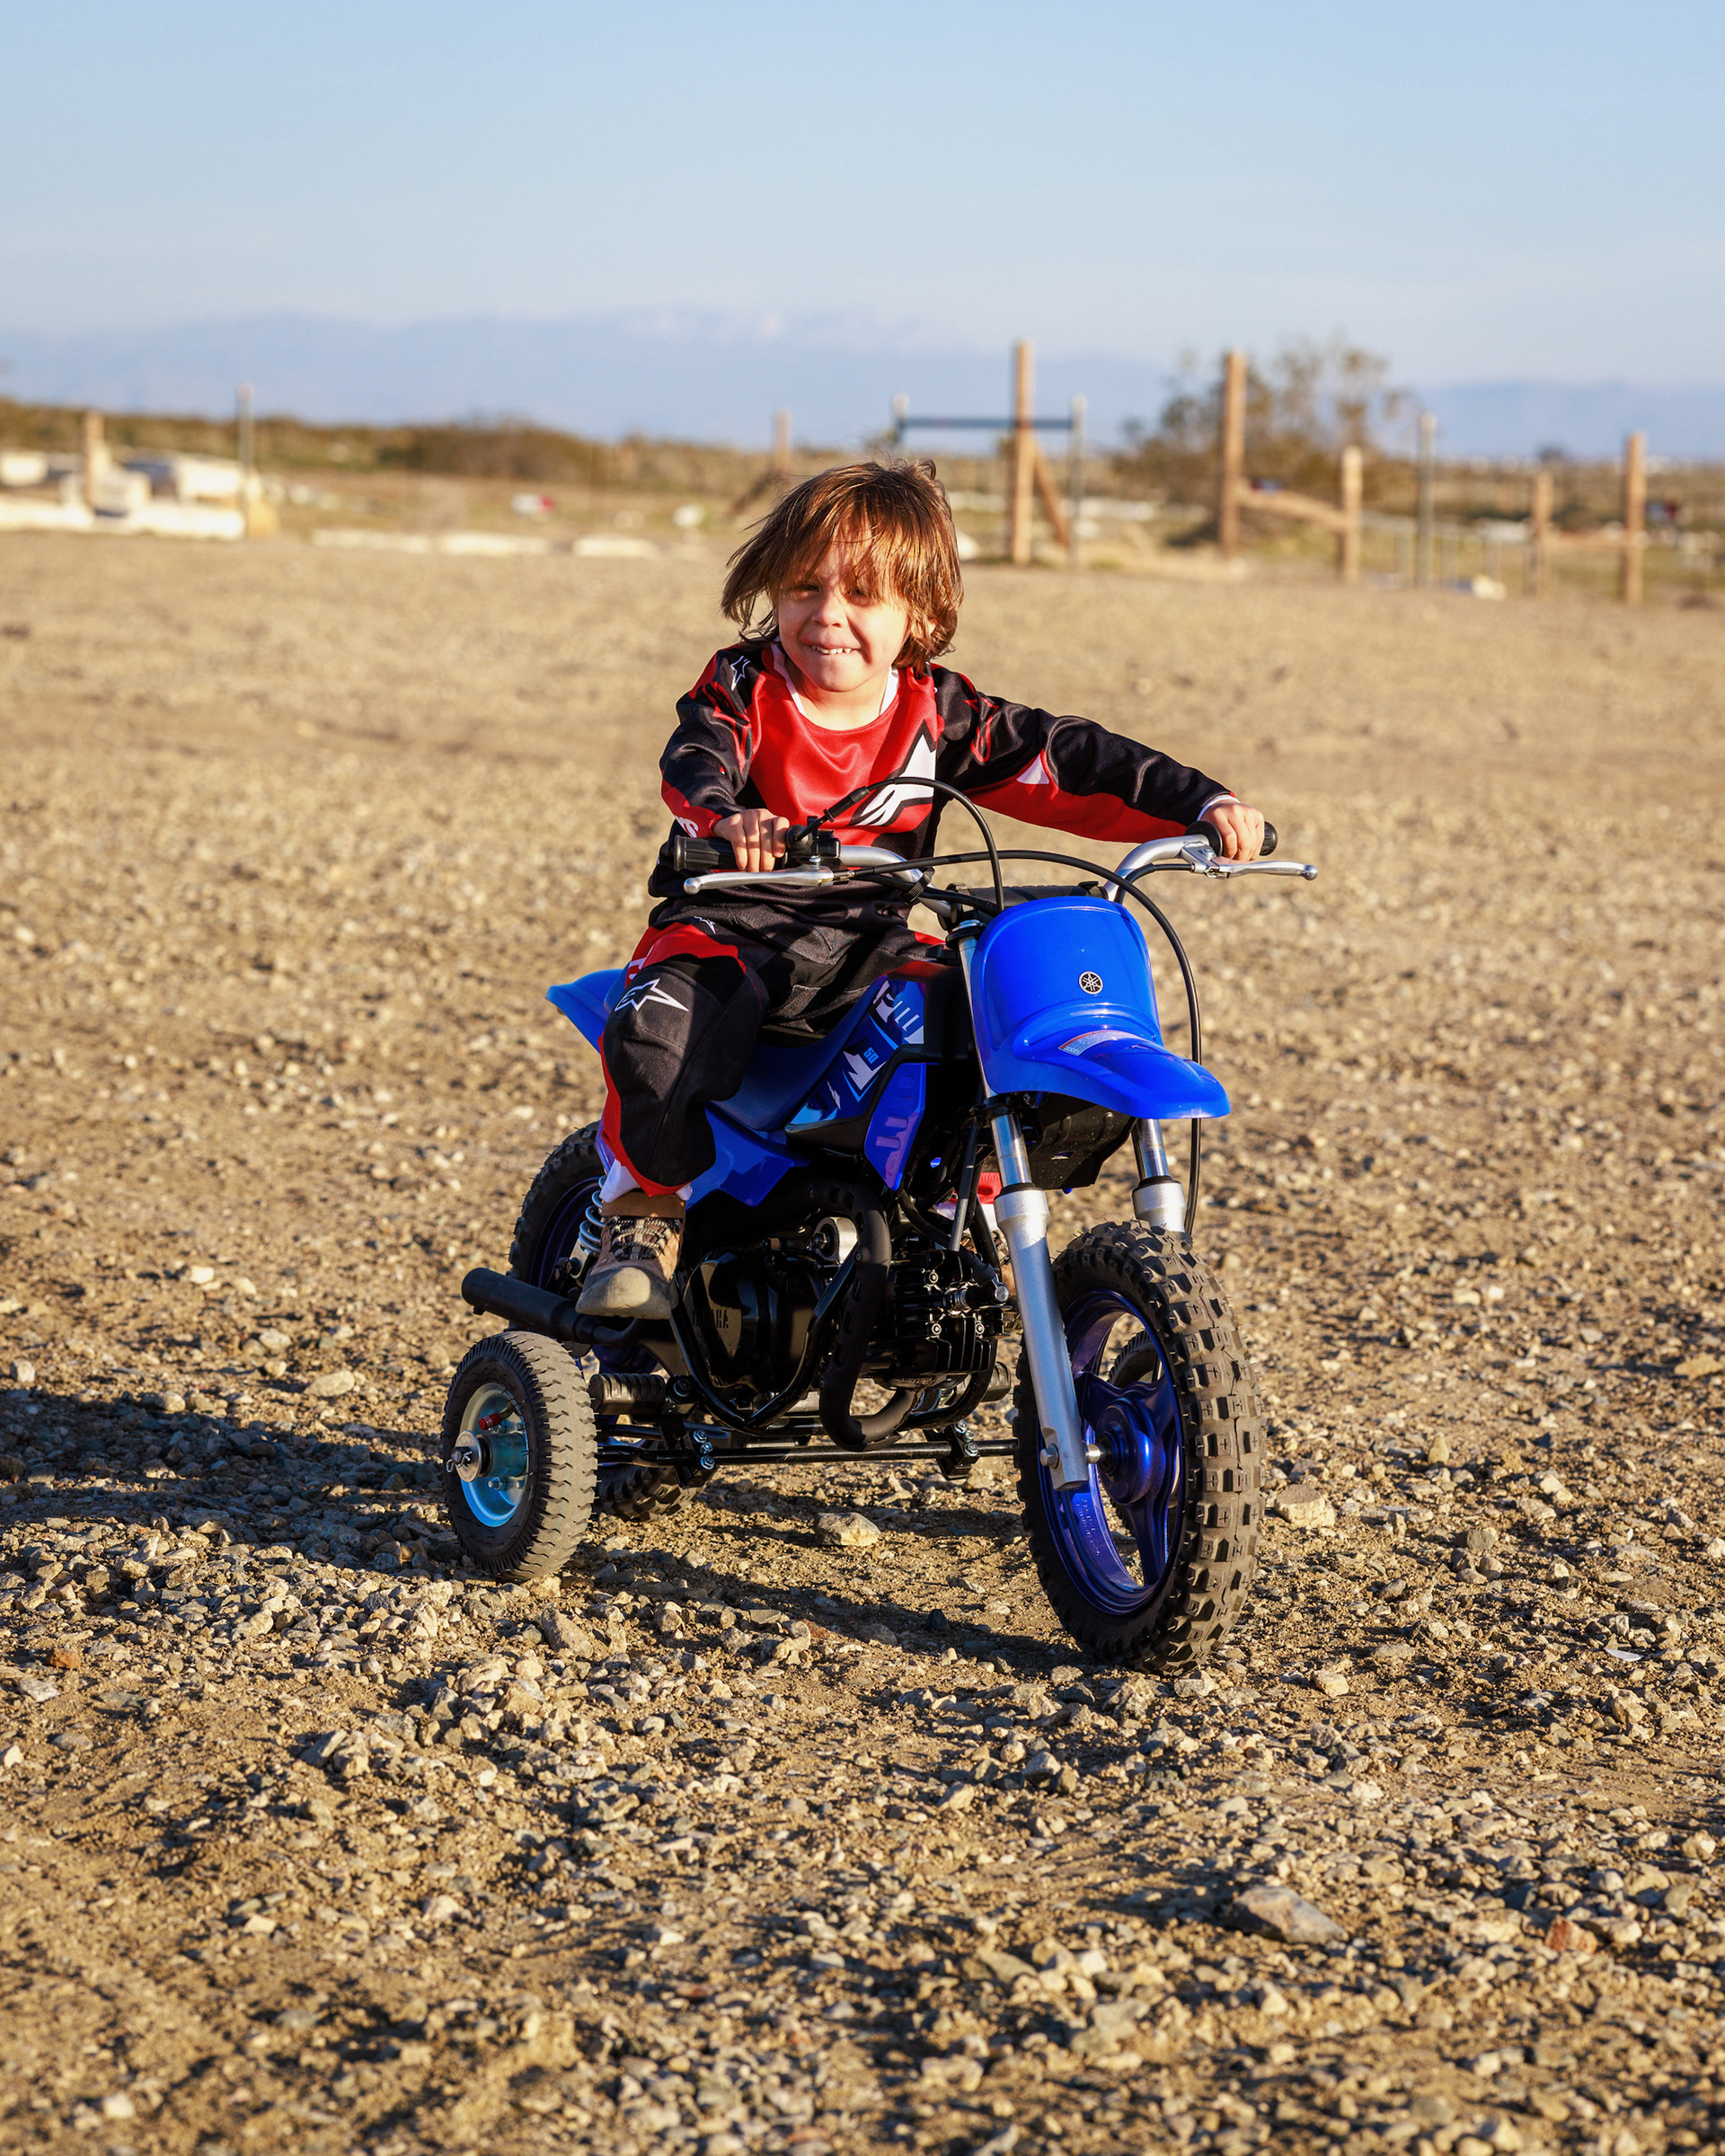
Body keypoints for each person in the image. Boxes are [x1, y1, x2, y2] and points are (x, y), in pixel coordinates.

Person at [579, 460, 1263, 1316]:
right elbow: (697, 756)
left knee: (985, 1008)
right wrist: (727, 819)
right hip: (735, 921)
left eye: (862, 595)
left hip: (871, 936)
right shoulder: (747, 686)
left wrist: (1200, 804)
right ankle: (642, 1212)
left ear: (922, 615)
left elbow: (1068, 760)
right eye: (804, 587)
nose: (827, 615)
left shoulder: (937, 712)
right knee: (659, 1028)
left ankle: (960, 1207)